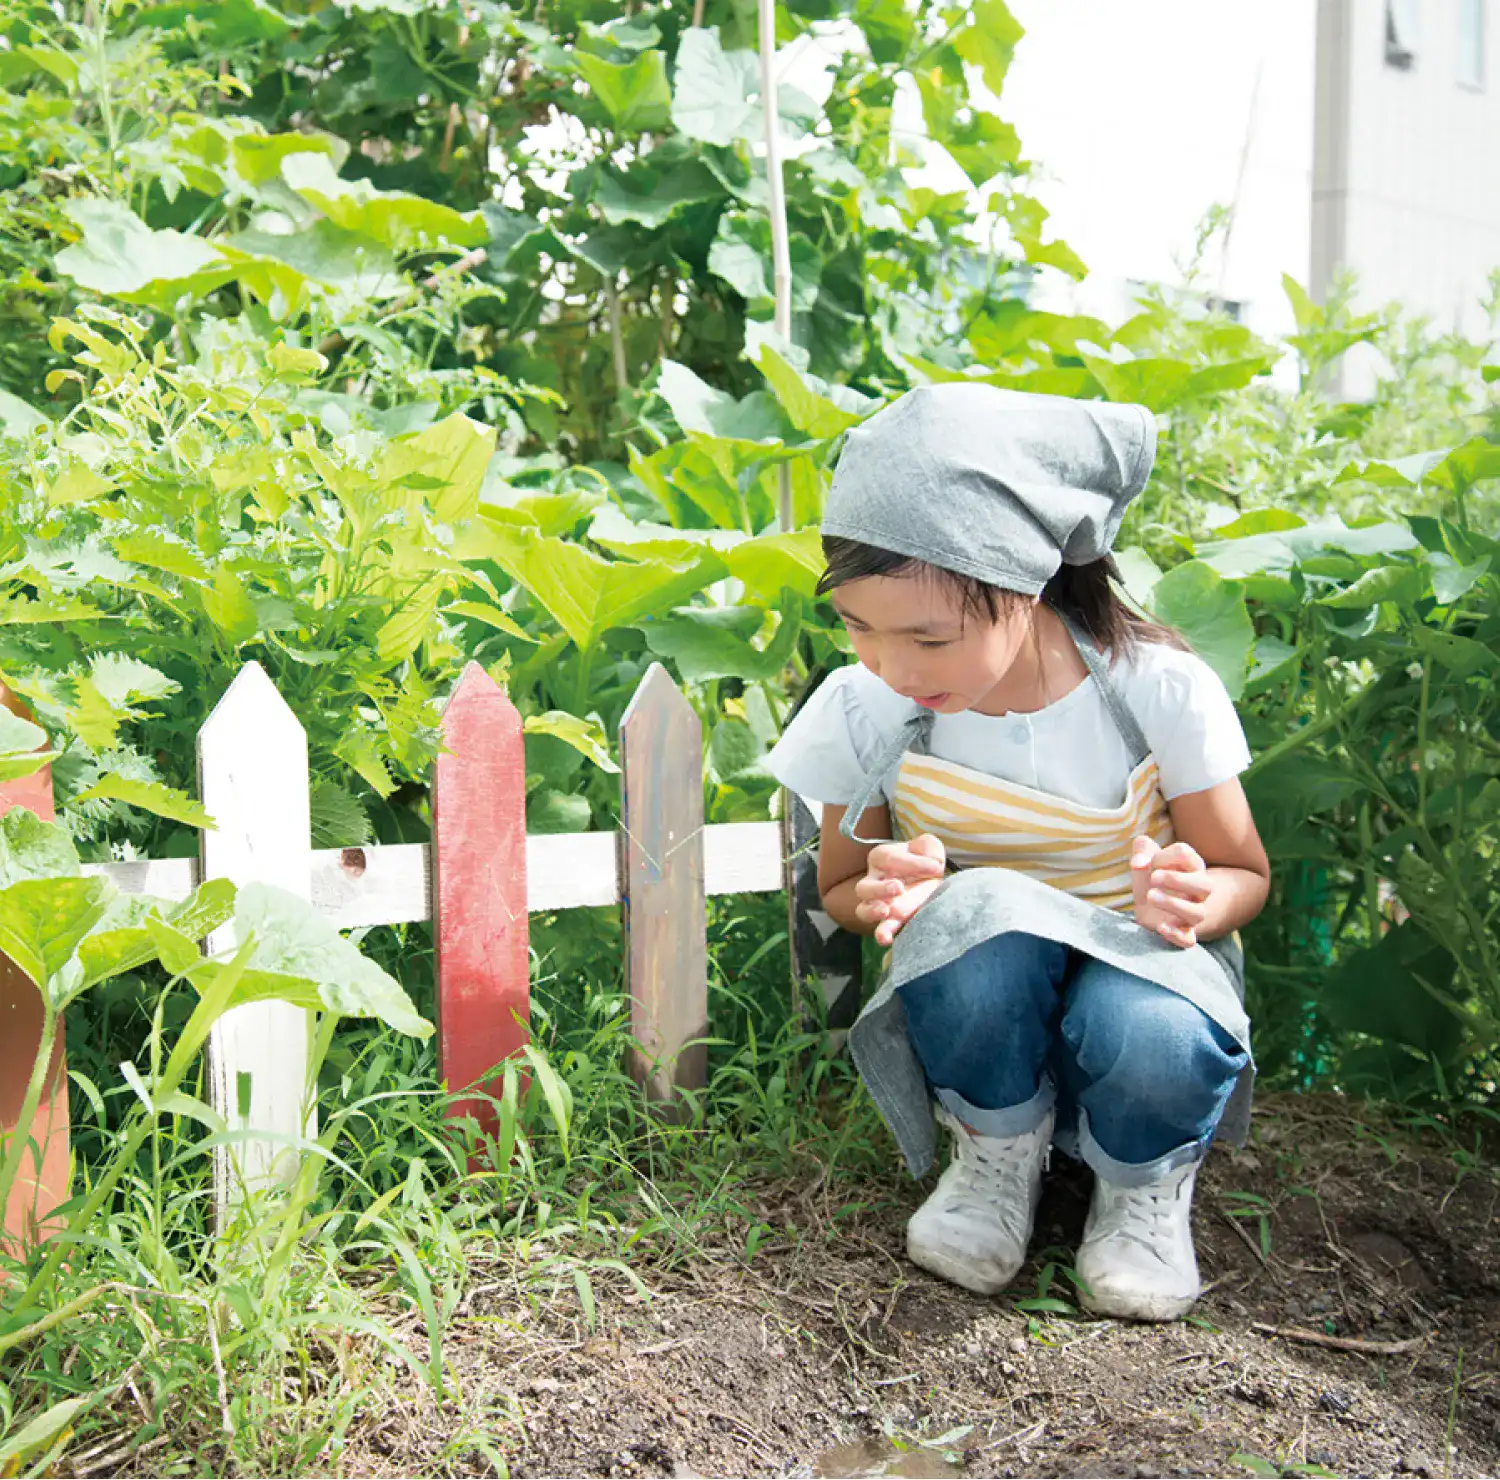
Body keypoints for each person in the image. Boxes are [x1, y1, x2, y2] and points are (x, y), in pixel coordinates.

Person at [765, 384, 1269, 1323]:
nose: (895, 667)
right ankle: (993, 1150)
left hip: (1143, 979)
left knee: (1150, 1029)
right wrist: (876, 892)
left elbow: (1246, 871)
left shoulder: (1154, 689)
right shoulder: (869, 707)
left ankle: (1139, 1185)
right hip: (982, 1016)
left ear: (1027, 587)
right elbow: (837, 886)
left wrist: (1200, 901)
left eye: (930, 637)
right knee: (974, 923)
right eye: (859, 628)